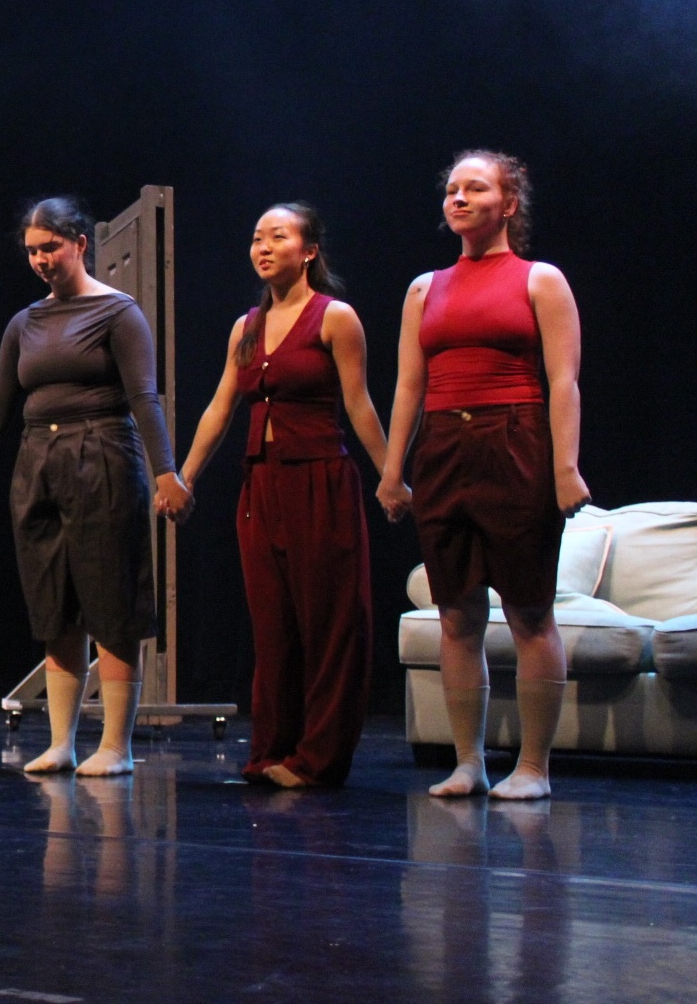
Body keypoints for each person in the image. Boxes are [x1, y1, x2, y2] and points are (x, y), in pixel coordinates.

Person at [0, 197, 191, 775]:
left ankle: (116, 746)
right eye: (32, 251)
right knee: (53, 605)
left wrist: (165, 471)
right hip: (39, 460)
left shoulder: (118, 313)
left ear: (81, 244)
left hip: (102, 454)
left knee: (110, 602)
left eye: (50, 248)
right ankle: (61, 742)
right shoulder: (25, 323)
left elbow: (144, 397)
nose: (40, 260)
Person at [378, 151, 587, 801]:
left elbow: (563, 381)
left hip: (514, 440)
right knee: (456, 614)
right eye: (452, 190)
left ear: (509, 203)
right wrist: (392, 470)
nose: (459, 198)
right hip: (443, 449)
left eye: (475, 188)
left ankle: (534, 768)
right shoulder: (425, 288)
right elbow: (409, 385)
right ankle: (468, 762)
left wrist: (565, 467)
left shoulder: (539, 279)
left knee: (528, 610)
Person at [175, 204, 389, 788]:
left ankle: (318, 758)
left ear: (309, 250)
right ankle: (273, 748)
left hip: (319, 480)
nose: (264, 247)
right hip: (261, 485)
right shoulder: (246, 327)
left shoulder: (334, 317)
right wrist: (184, 476)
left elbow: (359, 404)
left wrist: (390, 475)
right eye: (256, 238)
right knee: (273, 626)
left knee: (328, 623)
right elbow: (221, 406)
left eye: (278, 236)